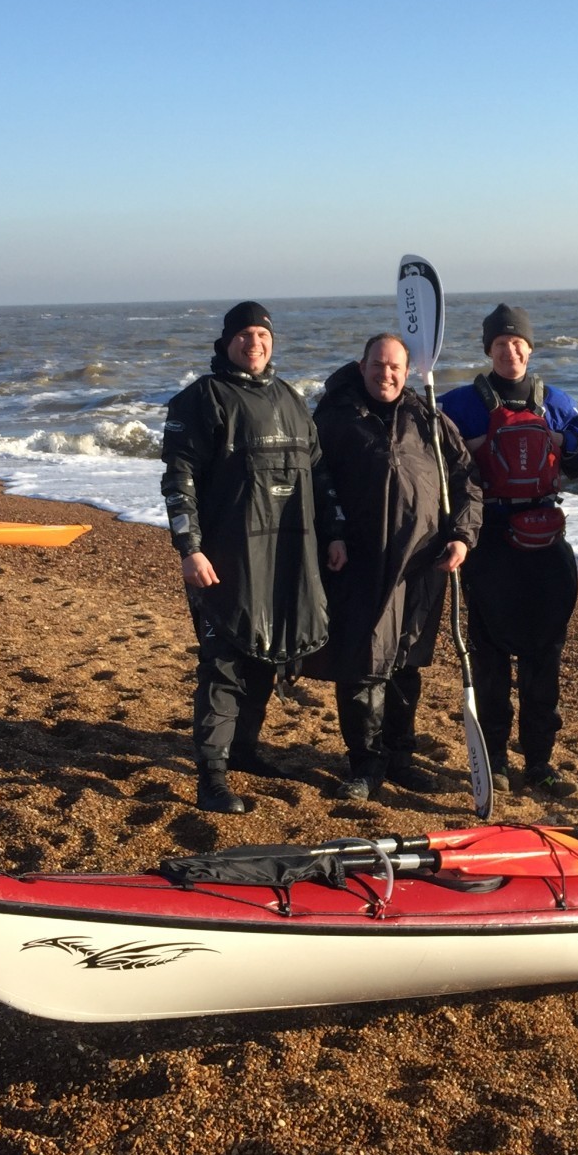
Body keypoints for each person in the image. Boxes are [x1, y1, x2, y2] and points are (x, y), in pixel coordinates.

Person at [162, 301, 346, 814]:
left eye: (262, 335)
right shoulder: (202, 400)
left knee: (269, 650)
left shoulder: (290, 400)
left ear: (272, 342)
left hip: (288, 553)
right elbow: (180, 483)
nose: (254, 343)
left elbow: (320, 477)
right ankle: (212, 773)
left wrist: (335, 535)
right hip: (226, 556)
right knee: (224, 661)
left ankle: (244, 750)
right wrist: (189, 549)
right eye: (243, 335)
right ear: (226, 343)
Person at [437, 304, 578, 798]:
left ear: (530, 348)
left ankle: (539, 762)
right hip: (489, 545)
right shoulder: (460, 403)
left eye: (518, 343)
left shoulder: (554, 399)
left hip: (545, 543)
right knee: (489, 662)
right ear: (487, 349)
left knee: (544, 659)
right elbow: (426, 454)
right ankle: (495, 761)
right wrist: (473, 446)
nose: (510, 351)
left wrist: (559, 438)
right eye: (500, 343)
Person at [313, 333, 482, 800]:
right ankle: (365, 765)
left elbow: (466, 479)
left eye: (394, 367)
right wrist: (333, 534)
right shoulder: (334, 418)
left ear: (407, 372)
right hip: (359, 561)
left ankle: (400, 757)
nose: (385, 374)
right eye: (377, 365)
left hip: (420, 563)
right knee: (363, 663)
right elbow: (313, 483)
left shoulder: (427, 417)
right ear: (362, 364)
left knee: (406, 661)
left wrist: (463, 537)